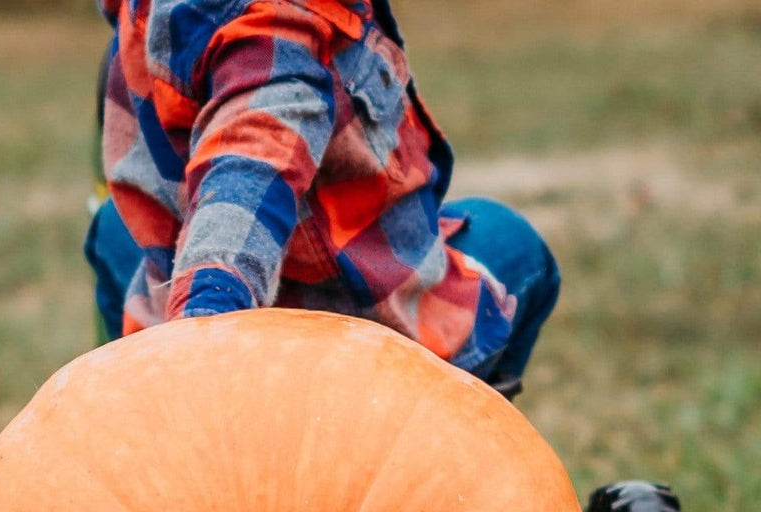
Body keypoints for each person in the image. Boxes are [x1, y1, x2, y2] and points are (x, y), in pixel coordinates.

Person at [84, 0, 559, 398]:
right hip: (344, 372)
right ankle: (451, 470)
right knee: (515, 245)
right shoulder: (276, 31)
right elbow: (246, 179)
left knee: (114, 230)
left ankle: (129, 406)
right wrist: (200, 349)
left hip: (175, 321)